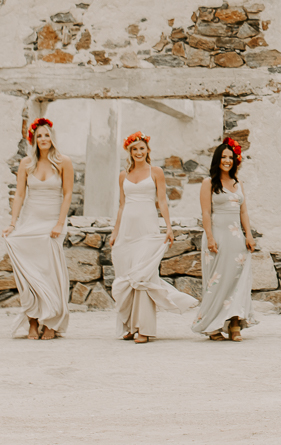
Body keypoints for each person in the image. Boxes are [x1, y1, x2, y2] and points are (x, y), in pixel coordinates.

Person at [107, 131, 197, 343]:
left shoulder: (155, 172)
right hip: (127, 230)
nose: (138, 152)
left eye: (141, 148)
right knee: (127, 275)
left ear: (147, 150)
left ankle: (145, 328)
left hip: (148, 228)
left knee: (144, 276)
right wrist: (115, 231)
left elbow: (162, 201)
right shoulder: (123, 175)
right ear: (130, 152)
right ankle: (129, 326)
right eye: (134, 149)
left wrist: (168, 227)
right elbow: (121, 206)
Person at [1, 117, 73, 339]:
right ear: (34, 139)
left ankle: (51, 322)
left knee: (50, 273)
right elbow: (20, 194)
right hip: (30, 221)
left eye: (46, 135)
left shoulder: (63, 162)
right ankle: (32, 320)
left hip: (52, 223)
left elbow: (68, 194)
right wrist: (13, 223)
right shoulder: (26, 163)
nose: (43, 139)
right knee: (29, 274)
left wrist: (59, 223)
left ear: (52, 138)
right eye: (39, 135)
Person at [193, 137, 258, 341]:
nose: (227, 161)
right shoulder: (208, 183)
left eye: (230, 157)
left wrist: (249, 235)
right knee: (217, 282)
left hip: (236, 239)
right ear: (217, 159)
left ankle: (235, 324)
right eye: (223, 157)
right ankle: (212, 326)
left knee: (237, 280)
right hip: (217, 237)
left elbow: (243, 212)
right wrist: (210, 237)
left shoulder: (238, 184)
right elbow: (205, 213)